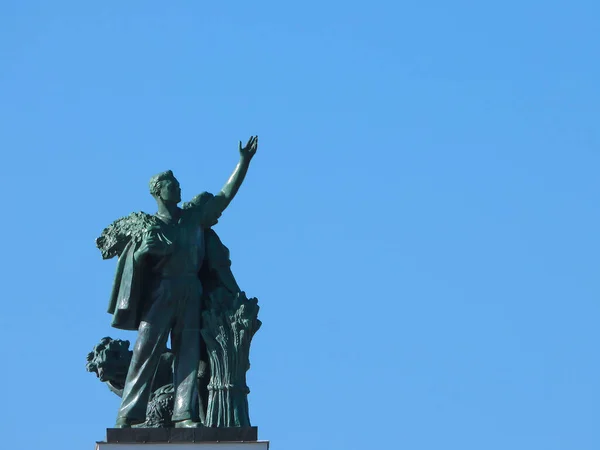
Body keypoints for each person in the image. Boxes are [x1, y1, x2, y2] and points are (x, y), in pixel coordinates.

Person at [106, 136, 258, 428]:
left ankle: (184, 414)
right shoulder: (149, 228)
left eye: (177, 185)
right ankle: (128, 415)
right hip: (162, 291)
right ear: (158, 192)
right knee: (145, 351)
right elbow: (133, 266)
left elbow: (225, 196)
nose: (178, 188)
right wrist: (141, 253)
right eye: (171, 185)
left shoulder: (193, 217)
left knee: (187, 352)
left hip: (191, 288)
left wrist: (243, 162)